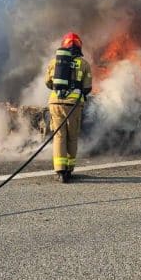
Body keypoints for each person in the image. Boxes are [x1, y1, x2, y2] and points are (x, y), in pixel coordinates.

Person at [44, 32, 92, 183]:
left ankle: (60, 172)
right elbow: (87, 88)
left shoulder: (54, 62)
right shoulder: (84, 64)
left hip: (55, 103)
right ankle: (69, 170)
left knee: (59, 137)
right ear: (79, 46)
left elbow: (48, 83)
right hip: (73, 105)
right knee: (72, 137)